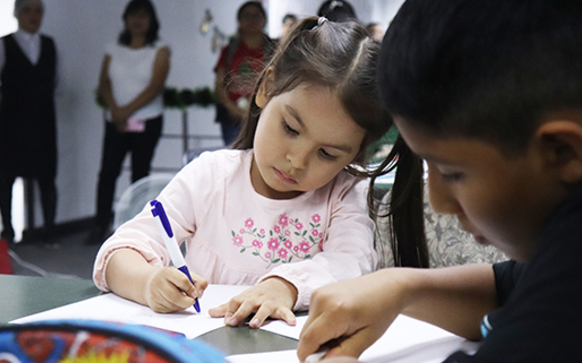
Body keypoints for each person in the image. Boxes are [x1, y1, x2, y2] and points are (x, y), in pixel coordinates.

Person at [297, 0, 582, 362]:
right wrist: (401, 286)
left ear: (563, 153)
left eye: (451, 173)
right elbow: (512, 285)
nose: (440, 202)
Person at [93, 17, 392, 329]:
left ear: (356, 152)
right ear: (265, 88)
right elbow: (120, 251)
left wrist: (285, 287)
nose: (297, 161)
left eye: (327, 154)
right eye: (290, 128)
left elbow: (352, 263)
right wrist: (148, 282)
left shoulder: (344, 192)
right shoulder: (211, 176)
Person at [86, 0, 170, 246]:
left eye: (143, 16)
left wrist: (127, 111)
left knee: (140, 173)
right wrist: (116, 111)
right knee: (107, 172)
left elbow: (155, 86)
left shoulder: (160, 49)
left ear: (151, 21)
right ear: (125, 19)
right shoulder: (113, 48)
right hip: (116, 122)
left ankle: (137, 229)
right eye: (134, 15)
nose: (138, 21)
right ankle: (101, 223)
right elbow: (104, 83)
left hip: (147, 120)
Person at [0, 0, 60, 248]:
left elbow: (57, 83)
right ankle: (8, 231)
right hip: (12, 123)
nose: (33, 16)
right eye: (27, 10)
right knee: (7, 176)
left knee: (46, 176)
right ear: (16, 14)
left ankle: (48, 231)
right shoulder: (1, 45)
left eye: (38, 11)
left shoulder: (49, 45)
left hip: (43, 122)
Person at [214, 1, 275, 146]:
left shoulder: (275, 49)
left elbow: (281, 81)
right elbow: (219, 83)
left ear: (264, 20)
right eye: (246, 16)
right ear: (239, 20)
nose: (251, 20)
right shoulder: (229, 50)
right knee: (234, 158)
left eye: (256, 16)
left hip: (265, 116)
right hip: (232, 118)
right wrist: (231, 107)